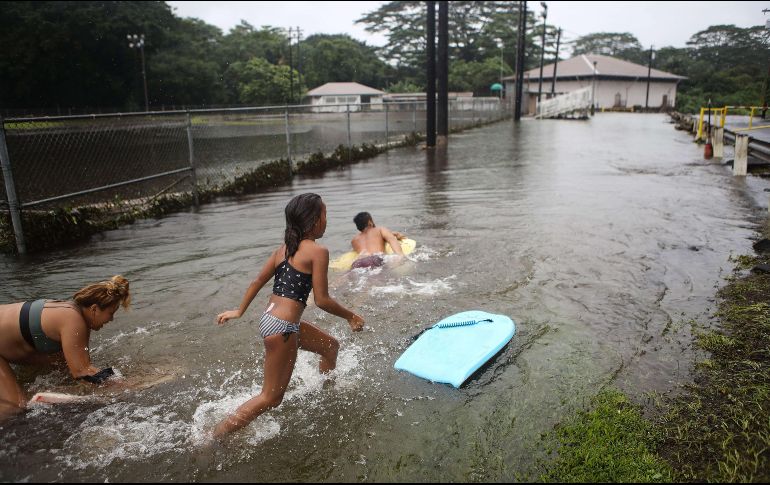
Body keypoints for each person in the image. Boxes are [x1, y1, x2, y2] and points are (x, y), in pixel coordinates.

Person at [214, 193, 365, 438]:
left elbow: (257, 281)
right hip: (282, 327)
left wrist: (239, 311)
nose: (327, 220)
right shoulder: (318, 252)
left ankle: (326, 393)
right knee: (270, 398)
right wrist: (350, 316)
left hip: (272, 321)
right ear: (314, 220)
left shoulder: (282, 250)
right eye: (325, 214)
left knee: (330, 346)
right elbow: (322, 300)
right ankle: (216, 436)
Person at [0, 276, 131, 418]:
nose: (111, 319)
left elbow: (79, 364)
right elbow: (82, 371)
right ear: (94, 309)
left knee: (62, 361)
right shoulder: (74, 321)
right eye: (110, 314)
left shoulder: (74, 313)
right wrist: (122, 384)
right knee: (15, 408)